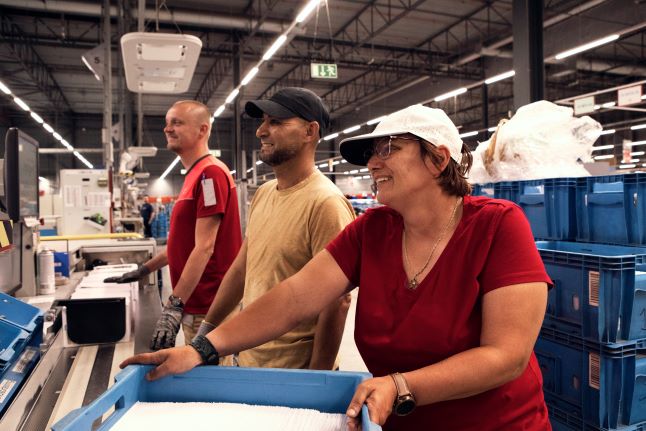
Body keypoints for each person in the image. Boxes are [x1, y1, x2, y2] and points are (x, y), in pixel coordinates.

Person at [121, 104, 551, 431]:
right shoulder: (372, 231)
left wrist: (402, 386)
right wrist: (202, 348)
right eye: (371, 153)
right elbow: (294, 297)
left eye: (388, 149)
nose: (372, 163)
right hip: (398, 421)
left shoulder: (498, 226)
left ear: (438, 160)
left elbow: (506, 356)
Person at [193, 87, 356, 370]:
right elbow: (242, 269)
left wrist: (317, 378)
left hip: (294, 370)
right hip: (248, 358)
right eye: (263, 121)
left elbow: (337, 301)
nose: (261, 131)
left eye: (276, 122)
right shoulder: (265, 192)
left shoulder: (326, 203)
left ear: (310, 131)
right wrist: (206, 330)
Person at [106, 100, 242, 350]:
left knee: (209, 383)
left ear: (202, 130)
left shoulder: (209, 175)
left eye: (177, 123)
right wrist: (144, 270)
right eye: (167, 123)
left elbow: (204, 248)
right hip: (196, 301)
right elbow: (183, 246)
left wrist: (173, 306)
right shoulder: (194, 174)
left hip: (207, 305)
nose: (167, 129)